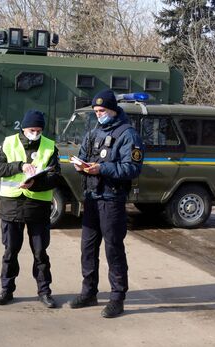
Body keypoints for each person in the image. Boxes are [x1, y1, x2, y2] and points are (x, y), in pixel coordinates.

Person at [69, 89, 144, 318]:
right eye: (95, 111)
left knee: (113, 248)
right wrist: (80, 165)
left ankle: (117, 298)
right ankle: (89, 292)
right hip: (92, 197)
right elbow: (83, 154)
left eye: (101, 110)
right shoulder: (93, 132)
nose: (98, 114)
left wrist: (102, 168)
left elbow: (132, 168)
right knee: (88, 248)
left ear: (112, 109)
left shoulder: (128, 134)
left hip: (112, 200)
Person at [0, 109, 61, 308]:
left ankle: (44, 291)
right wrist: (19, 166)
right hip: (11, 206)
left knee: (40, 253)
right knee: (10, 251)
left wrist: (35, 184)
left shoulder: (49, 146)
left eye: (39, 130)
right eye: (32, 130)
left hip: (37, 207)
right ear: (23, 128)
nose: (36, 134)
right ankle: (6, 290)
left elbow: (55, 176)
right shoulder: (8, 143)